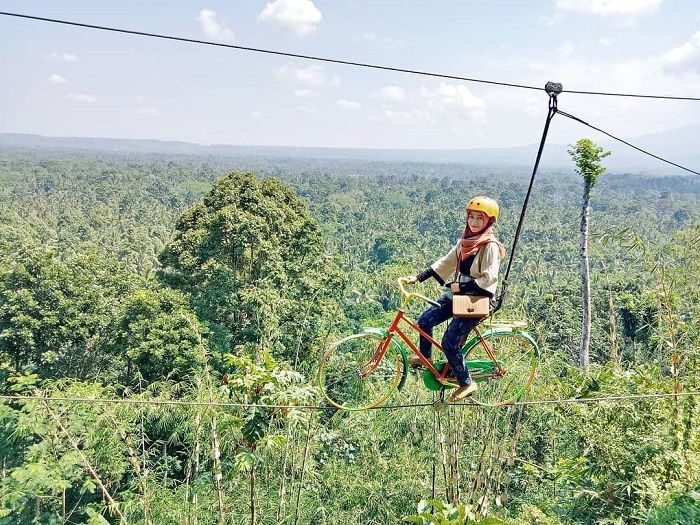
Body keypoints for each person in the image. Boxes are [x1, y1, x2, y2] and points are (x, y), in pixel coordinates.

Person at [406, 196, 505, 403]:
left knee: (449, 342)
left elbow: (489, 278)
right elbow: (446, 262)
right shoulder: (465, 241)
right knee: (425, 320)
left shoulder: (490, 246)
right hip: (458, 296)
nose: (474, 222)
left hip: (478, 300)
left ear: (489, 221)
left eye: (480, 218)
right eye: (471, 217)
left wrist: (462, 286)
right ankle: (426, 357)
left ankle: (467, 383)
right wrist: (418, 277)